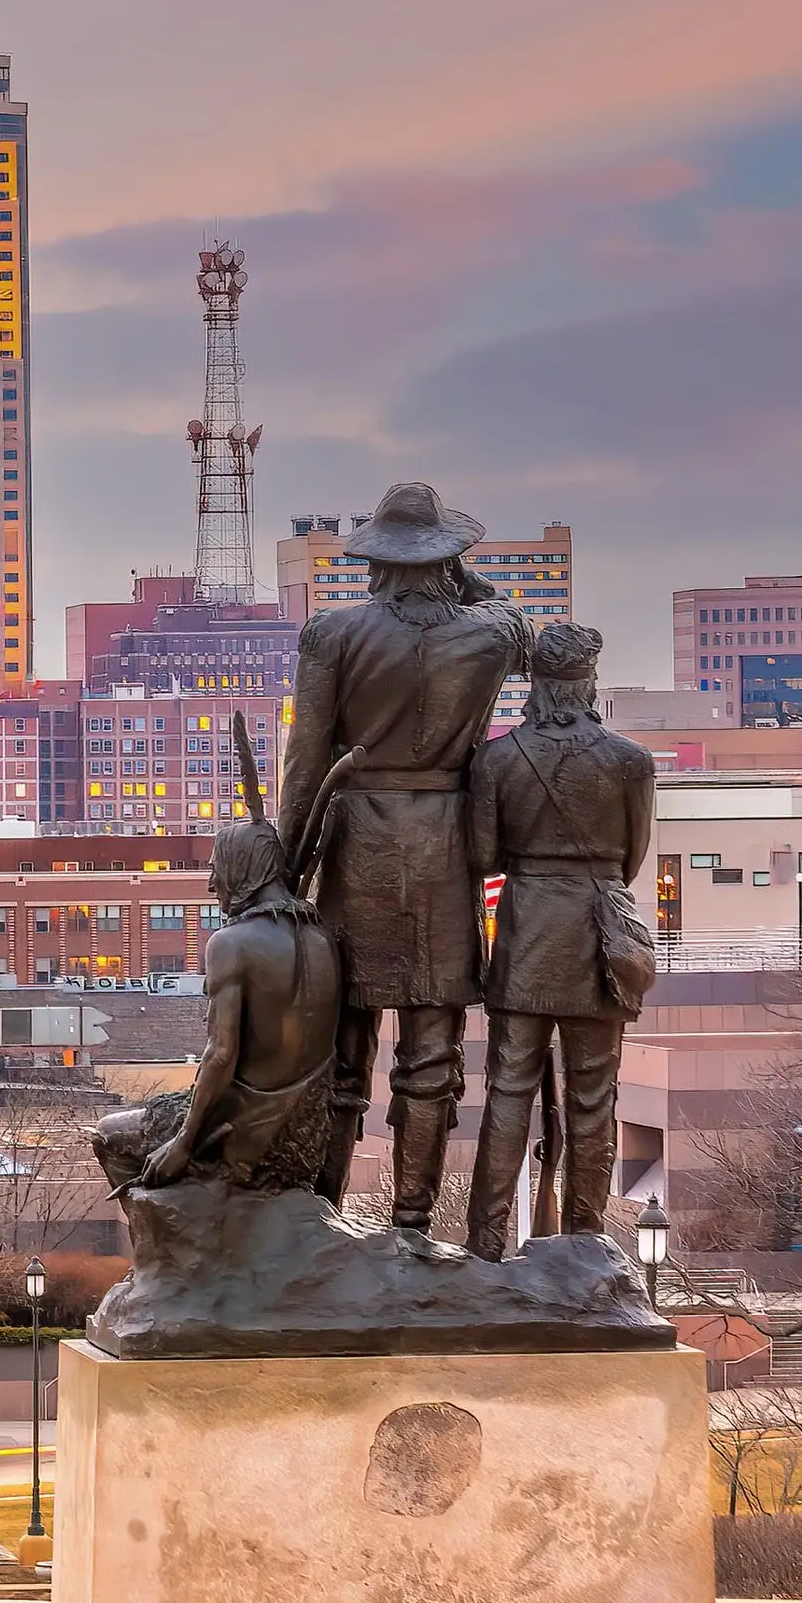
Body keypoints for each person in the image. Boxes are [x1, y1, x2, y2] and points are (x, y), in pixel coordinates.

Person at [279, 480, 534, 1240]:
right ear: (448, 559)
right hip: (447, 845)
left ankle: (321, 1214)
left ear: (375, 560)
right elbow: (508, 615)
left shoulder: (334, 634)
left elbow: (304, 763)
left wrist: (288, 869)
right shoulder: (491, 633)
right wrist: (461, 581)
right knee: (433, 1047)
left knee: (343, 1040)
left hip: (358, 839)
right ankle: (413, 1226)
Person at [464, 623, 658, 1258]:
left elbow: (485, 855)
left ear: (536, 686)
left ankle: (487, 1240)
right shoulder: (630, 761)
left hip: (525, 932)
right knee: (594, 1094)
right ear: (590, 684)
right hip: (599, 933)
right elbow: (630, 859)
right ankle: (584, 1238)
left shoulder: (497, 759)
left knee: (508, 1088)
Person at [134, 815, 345, 1195]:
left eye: (218, 868)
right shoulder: (323, 939)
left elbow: (221, 1054)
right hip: (310, 1141)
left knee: (110, 1138)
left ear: (243, 867)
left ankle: (190, 1244)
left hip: (247, 1137)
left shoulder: (231, 942)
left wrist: (183, 1142)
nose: (212, 883)